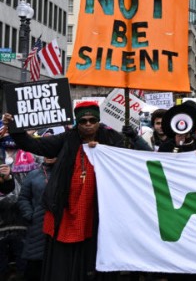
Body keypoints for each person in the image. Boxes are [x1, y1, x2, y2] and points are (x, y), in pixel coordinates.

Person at [3, 103, 135, 281]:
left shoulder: (112, 138)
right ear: (77, 123)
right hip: (66, 207)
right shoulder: (66, 138)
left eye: (92, 120)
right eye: (83, 121)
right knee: (65, 258)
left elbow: (128, 160)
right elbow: (34, 145)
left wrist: (106, 148)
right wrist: (15, 128)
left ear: (98, 121)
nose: (88, 124)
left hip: (99, 209)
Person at [18, 156, 54, 281]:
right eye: (47, 152)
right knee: (35, 266)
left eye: (54, 152)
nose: (50, 156)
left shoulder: (67, 173)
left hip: (60, 225)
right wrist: (30, 214)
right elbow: (23, 198)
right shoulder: (33, 174)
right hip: (37, 226)